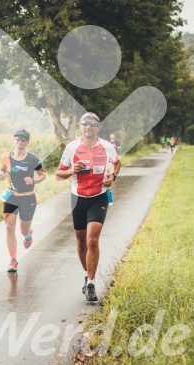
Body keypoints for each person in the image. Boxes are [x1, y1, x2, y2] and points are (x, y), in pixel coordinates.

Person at [56, 112, 121, 302]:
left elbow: (117, 163)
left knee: (92, 240)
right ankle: (87, 274)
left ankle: (91, 283)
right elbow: (58, 174)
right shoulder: (72, 148)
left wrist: (112, 177)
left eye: (92, 124)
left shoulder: (107, 147)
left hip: (98, 197)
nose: (88, 127)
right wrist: (71, 170)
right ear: (81, 127)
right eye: (85, 124)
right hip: (78, 199)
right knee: (81, 241)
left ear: (98, 128)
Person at [0, 129, 46, 272]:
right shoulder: (6, 156)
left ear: (27, 143)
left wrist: (34, 180)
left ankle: (28, 234)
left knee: (23, 230)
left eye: (23, 140)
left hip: (28, 198)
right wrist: (0, 174)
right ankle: (13, 260)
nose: (20, 142)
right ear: (14, 140)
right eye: (18, 139)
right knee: (8, 226)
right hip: (11, 196)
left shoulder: (32, 159)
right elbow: (3, 170)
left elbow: (42, 174)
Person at [107, 134, 122, 206]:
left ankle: (113, 175)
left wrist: (116, 147)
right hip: (108, 158)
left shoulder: (117, 141)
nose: (111, 137)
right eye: (111, 136)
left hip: (114, 156)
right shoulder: (107, 142)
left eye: (112, 136)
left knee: (113, 167)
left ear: (114, 137)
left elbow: (120, 147)